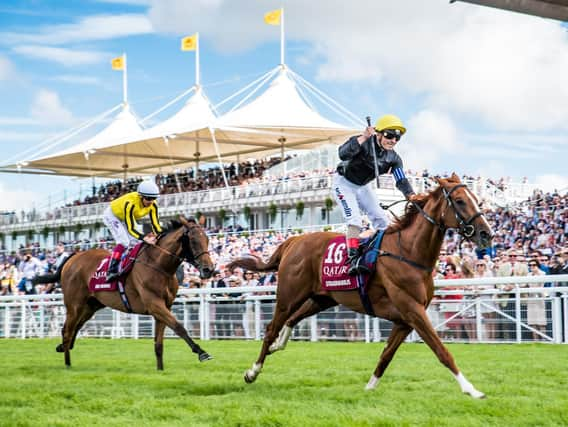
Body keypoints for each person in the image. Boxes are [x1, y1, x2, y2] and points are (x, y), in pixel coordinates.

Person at [333, 114, 416, 275]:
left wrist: (411, 195)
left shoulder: (394, 158)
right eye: (389, 135)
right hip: (344, 184)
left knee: (383, 221)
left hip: (363, 187)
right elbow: (343, 154)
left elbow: (401, 180)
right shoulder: (363, 141)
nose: (392, 140)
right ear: (378, 134)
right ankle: (352, 261)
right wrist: (363, 137)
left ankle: (378, 256)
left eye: (397, 138)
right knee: (355, 220)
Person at [102, 180, 163, 282]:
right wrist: (145, 238)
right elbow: (131, 228)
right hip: (112, 215)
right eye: (148, 198)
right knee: (124, 242)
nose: (151, 201)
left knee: (136, 242)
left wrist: (160, 236)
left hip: (124, 217)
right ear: (140, 197)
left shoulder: (153, 205)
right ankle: (111, 270)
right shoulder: (130, 204)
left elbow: (156, 225)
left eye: (154, 198)